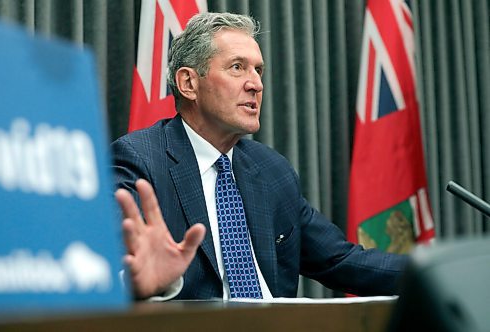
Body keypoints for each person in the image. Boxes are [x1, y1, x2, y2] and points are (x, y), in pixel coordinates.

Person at [112, 12, 408, 300]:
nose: (256, 84)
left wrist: (433, 272)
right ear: (189, 83)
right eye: (237, 67)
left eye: (258, 70)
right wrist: (154, 284)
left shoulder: (271, 170)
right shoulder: (140, 160)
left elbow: (339, 259)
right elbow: (117, 268)